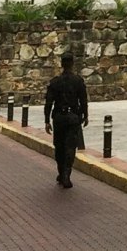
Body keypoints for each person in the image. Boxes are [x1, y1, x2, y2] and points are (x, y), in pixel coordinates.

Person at [44, 52, 90, 189]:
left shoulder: (55, 82)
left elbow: (48, 102)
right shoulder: (78, 81)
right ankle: (66, 174)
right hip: (73, 118)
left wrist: (46, 120)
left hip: (58, 118)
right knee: (70, 147)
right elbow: (83, 100)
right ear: (72, 63)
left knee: (59, 146)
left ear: (61, 64)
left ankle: (61, 172)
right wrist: (85, 115)